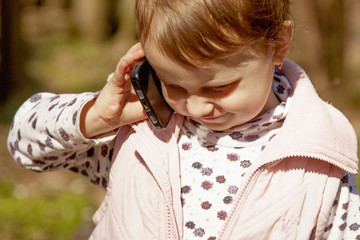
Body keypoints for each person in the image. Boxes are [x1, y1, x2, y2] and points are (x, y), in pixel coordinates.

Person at [7, 0, 360, 239]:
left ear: (278, 46)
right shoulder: (140, 129)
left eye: (219, 87)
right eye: (173, 84)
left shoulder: (319, 158)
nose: (196, 108)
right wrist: (96, 117)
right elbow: (25, 145)